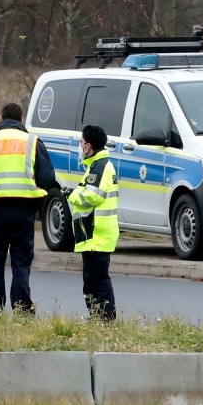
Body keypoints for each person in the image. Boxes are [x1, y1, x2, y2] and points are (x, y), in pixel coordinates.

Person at [0, 102, 56, 315]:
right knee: (21, 262)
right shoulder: (32, 142)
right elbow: (47, 179)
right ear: (22, 119)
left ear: (0, 118)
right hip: (23, 210)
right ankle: (22, 308)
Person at [66, 124, 119, 321]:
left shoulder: (100, 166)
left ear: (88, 146)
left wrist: (70, 195)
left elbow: (92, 196)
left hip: (97, 233)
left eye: (81, 142)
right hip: (94, 234)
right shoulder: (96, 165)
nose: (79, 146)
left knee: (96, 280)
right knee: (92, 279)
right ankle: (99, 317)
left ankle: (104, 319)